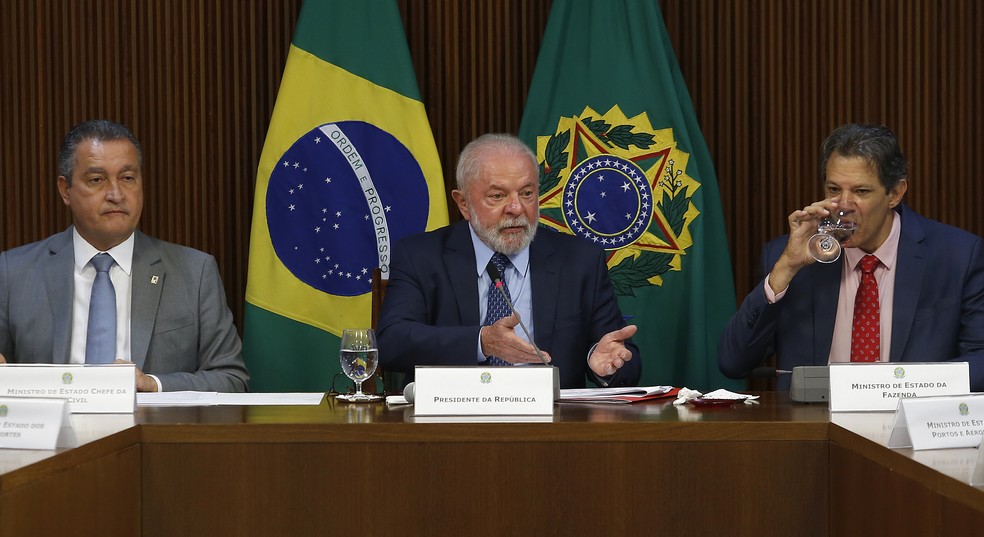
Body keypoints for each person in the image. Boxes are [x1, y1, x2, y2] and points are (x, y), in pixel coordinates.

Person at [718, 123, 984, 391]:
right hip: (814, 428)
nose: (843, 205)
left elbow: (980, 359)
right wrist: (785, 269)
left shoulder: (958, 257)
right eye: (834, 190)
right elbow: (733, 362)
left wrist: (901, 389)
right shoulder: (792, 257)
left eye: (861, 192)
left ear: (895, 193)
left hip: (908, 425)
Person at [0, 119, 249, 392]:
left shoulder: (194, 271)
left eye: (127, 178)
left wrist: (152, 385)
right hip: (55, 432)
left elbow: (232, 380)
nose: (116, 194)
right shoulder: (13, 273)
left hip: (150, 431)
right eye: (97, 180)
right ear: (65, 190)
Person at [377, 133, 641, 389]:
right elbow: (391, 342)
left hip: (553, 424)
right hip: (452, 421)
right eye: (497, 196)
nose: (516, 208)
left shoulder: (579, 260)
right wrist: (481, 342)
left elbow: (623, 357)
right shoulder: (422, 256)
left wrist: (604, 362)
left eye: (526, 193)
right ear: (464, 204)